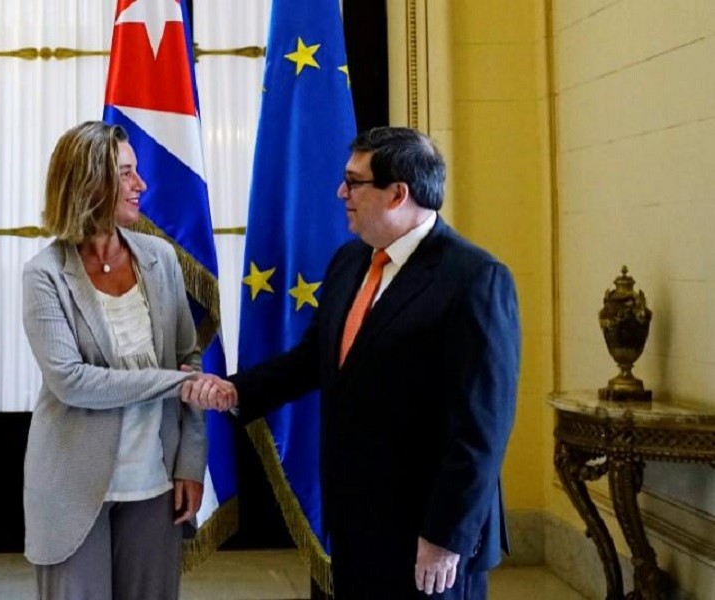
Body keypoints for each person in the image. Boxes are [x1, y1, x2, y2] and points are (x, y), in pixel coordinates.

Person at [183, 126, 520, 599]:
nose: (342, 192)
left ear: (397, 193)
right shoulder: (351, 261)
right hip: (354, 520)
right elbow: (314, 358)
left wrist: (445, 537)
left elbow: (482, 428)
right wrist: (236, 390)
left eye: (354, 181)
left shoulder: (475, 279)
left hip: (430, 534)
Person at [21, 120, 209, 600]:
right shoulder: (44, 275)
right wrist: (171, 383)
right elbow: (72, 381)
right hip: (71, 489)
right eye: (126, 173)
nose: (140, 185)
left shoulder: (160, 258)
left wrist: (190, 460)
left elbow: (189, 359)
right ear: (90, 183)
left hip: (154, 483)